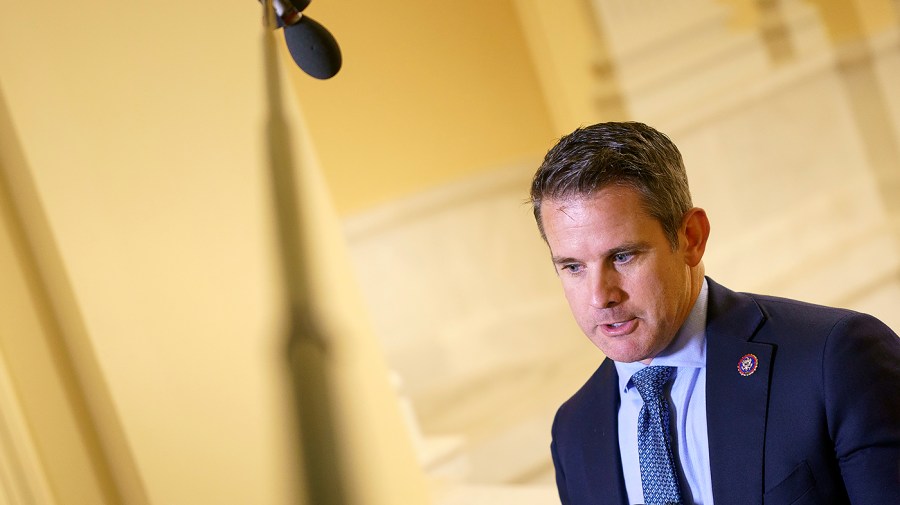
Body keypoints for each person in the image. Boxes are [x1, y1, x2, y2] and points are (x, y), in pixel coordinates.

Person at [529, 122, 900, 505]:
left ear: (691, 238)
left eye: (623, 256)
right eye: (573, 267)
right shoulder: (574, 432)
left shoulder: (835, 359)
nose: (599, 296)